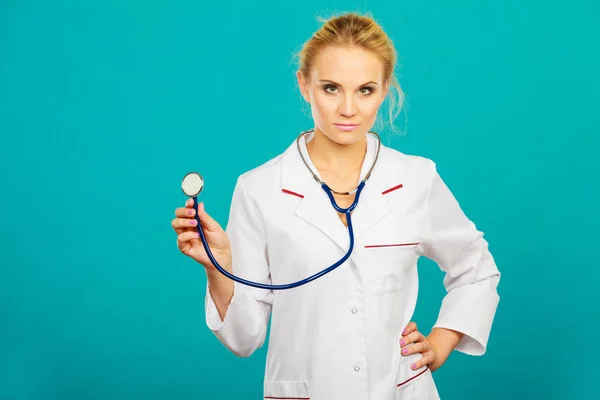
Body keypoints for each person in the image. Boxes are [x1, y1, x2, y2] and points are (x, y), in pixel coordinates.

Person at [171, 12, 500, 400]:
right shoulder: (259, 188)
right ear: (304, 85)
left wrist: (442, 342)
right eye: (330, 88)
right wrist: (218, 264)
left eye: (365, 90)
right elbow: (244, 338)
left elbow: (476, 270)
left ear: (384, 90)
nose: (348, 108)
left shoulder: (416, 179)